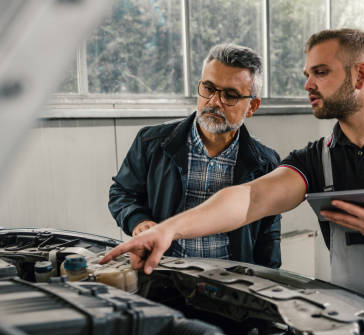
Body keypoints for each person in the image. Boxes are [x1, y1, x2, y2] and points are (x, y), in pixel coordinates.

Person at [101, 29, 364, 335]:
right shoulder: (318, 158)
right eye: (306, 75)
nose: (308, 84)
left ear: (360, 74)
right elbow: (249, 198)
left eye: (320, 72)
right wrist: (168, 229)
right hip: (355, 329)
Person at [108, 43, 281, 268]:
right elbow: (121, 193)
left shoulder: (265, 164)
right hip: (164, 274)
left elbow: (269, 236)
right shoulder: (151, 143)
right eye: (208, 89)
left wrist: (267, 285)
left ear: (252, 106)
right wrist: (138, 221)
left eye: (230, 95)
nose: (214, 102)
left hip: (233, 284)